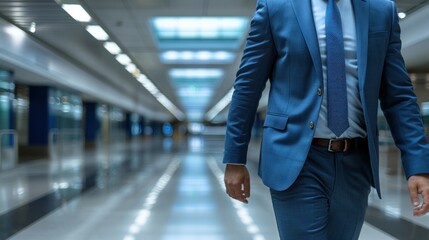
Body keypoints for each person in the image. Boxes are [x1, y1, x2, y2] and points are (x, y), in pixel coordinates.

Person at [222, 0, 429, 239]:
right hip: (296, 160)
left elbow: (399, 96)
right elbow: (248, 86)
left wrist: (419, 166)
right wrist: (235, 158)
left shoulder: (381, 11)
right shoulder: (276, 7)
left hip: (356, 163)